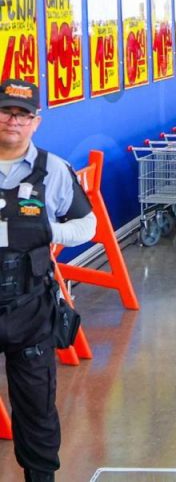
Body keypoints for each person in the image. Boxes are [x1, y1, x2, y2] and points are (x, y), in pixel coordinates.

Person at [0, 79, 96, 481]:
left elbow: (87, 224)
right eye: (6, 111)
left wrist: (49, 231)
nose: (13, 121)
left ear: (36, 122)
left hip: (29, 311)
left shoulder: (53, 171)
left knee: (37, 413)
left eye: (23, 115)